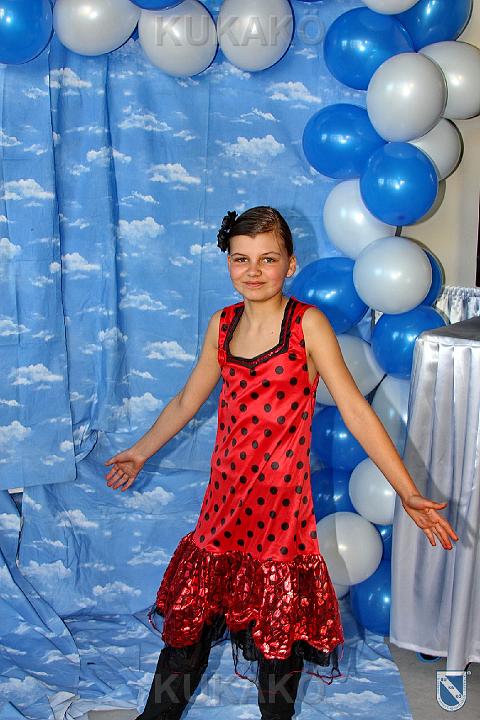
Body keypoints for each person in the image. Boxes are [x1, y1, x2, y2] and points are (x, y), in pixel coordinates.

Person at [104, 206, 459, 720]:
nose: (253, 270)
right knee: (189, 631)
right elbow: (186, 401)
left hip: (280, 516)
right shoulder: (223, 325)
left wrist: (406, 491)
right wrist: (141, 451)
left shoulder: (306, 325)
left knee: (277, 640)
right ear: (228, 262)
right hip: (223, 511)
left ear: (290, 265)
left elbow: (356, 411)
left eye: (267, 259)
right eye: (241, 259)